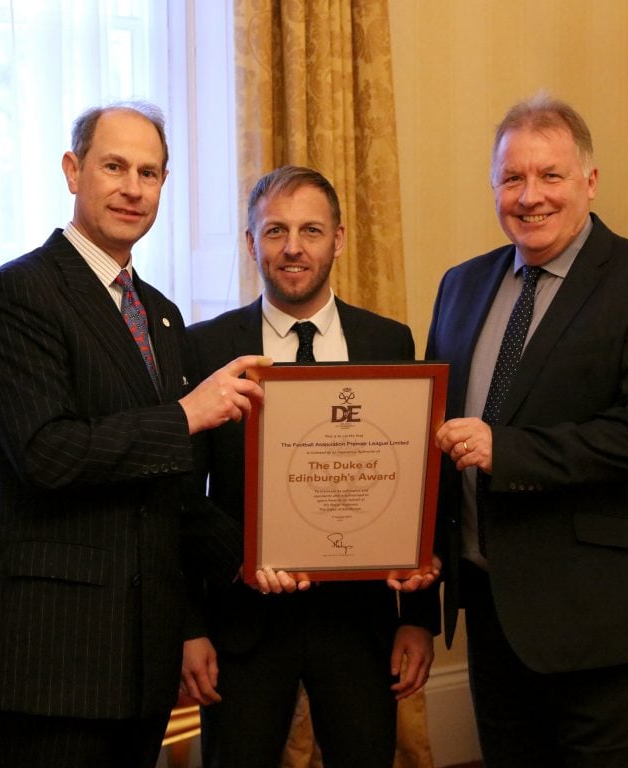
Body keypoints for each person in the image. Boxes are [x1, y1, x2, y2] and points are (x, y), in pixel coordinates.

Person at [0, 101, 270, 768]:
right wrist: (187, 414)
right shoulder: (18, 295)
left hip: (144, 653)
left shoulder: (158, 314)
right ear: (74, 171)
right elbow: (47, 453)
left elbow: (175, 492)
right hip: (55, 653)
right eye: (114, 166)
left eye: (150, 172)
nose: (133, 187)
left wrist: (265, 552)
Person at [427, 93, 628, 767]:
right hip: (494, 609)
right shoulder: (462, 285)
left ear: (590, 181)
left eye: (550, 175)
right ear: (495, 186)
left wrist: (507, 449)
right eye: (512, 178)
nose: (531, 196)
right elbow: (435, 427)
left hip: (602, 615)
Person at [183, 165, 440, 768]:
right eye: (275, 231)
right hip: (242, 627)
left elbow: (421, 485)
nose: (292, 247)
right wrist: (189, 628)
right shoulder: (205, 349)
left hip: (359, 626)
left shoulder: (389, 342)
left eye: (310, 230)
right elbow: (184, 501)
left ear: (339, 240)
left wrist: (419, 620)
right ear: (251, 243)